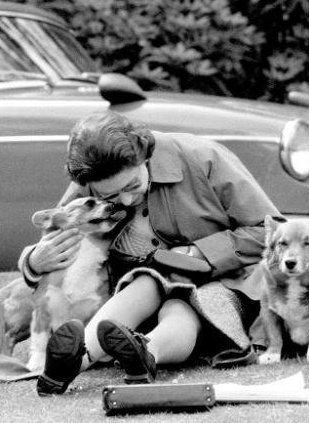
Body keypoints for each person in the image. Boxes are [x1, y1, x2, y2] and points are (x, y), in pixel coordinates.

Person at [18, 111, 282, 396]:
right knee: (146, 282)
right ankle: (72, 362)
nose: (127, 200)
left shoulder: (203, 157)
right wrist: (33, 262)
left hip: (223, 282)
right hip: (141, 289)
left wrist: (199, 252)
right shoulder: (93, 177)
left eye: (132, 186)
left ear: (145, 155)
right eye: (111, 197)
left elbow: (272, 231)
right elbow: (55, 236)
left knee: (182, 306)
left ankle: (146, 351)